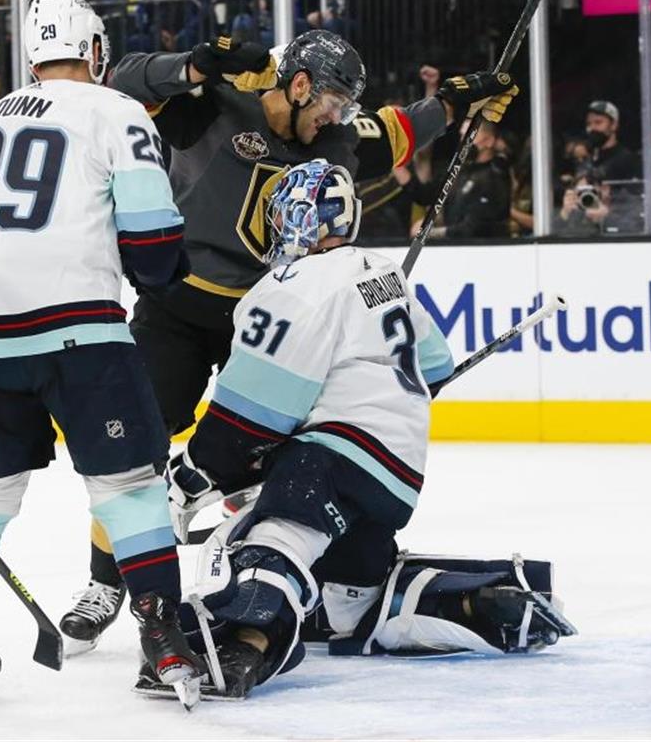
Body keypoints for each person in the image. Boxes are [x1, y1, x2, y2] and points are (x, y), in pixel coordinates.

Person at [60, 29, 519, 648]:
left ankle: (284, 552)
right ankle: (104, 581)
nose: (337, 117)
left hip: (271, 316)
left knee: (289, 442)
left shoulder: (331, 138)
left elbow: (393, 132)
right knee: (135, 447)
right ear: (298, 85)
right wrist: (194, 64)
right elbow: (117, 83)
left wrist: (455, 105)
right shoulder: (212, 105)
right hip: (180, 307)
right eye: (331, 101)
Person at [144, 161, 574, 700]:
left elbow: (251, 415)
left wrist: (195, 471)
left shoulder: (294, 285)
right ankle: (470, 599)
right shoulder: (380, 270)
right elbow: (435, 369)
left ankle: (241, 644)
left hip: (334, 456)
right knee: (347, 603)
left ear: (301, 219)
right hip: (399, 474)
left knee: (276, 534)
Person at [0, 0, 204, 705]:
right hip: (76, 329)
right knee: (127, 485)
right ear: (95, 53)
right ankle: (162, 635)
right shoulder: (116, 110)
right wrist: (168, 276)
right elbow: (154, 241)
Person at [393, 118, 513, 239]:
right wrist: (395, 161)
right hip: (453, 250)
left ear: (489, 141)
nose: (463, 141)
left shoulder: (495, 177)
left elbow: (472, 229)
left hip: (483, 252)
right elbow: (424, 195)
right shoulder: (458, 171)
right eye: (462, 136)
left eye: (470, 136)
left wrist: (428, 232)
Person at [554, 171, 642, 236]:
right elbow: (555, 235)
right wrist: (564, 214)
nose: (586, 196)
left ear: (605, 189)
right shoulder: (578, 211)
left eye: (588, 191)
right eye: (580, 192)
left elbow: (636, 229)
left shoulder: (626, 202)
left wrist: (606, 217)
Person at [582, 100, 640, 183]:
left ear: (614, 125)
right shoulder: (587, 159)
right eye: (589, 124)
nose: (592, 128)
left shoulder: (627, 159)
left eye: (598, 122)